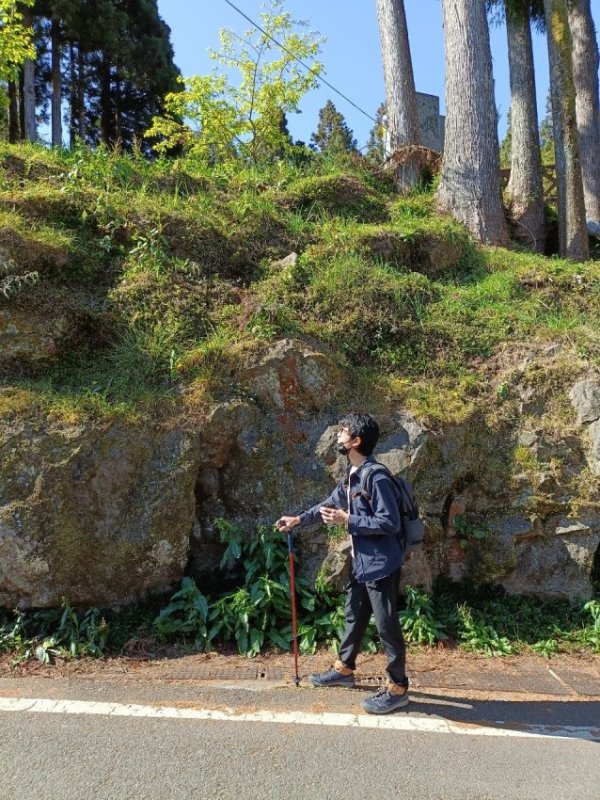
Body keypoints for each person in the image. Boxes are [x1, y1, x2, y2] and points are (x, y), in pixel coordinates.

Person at [276, 412, 409, 715]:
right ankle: (344, 670)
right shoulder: (353, 475)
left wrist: (348, 519)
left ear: (356, 441)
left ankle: (398, 687)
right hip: (361, 561)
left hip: (382, 563)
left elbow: (389, 522)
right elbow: (330, 503)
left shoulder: (376, 476)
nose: (338, 435)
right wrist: (298, 519)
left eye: (343, 431)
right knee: (354, 615)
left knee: (386, 625)